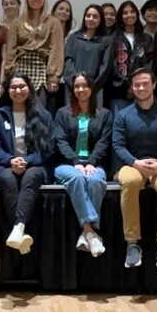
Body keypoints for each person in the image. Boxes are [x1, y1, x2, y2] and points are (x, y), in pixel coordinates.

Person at [112, 67, 157, 270]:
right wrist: (136, 163)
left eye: (145, 84)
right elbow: (118, 145)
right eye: (137, 85)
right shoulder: (123, 115)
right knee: (130, 181)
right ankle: (132, 244)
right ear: (132, 88)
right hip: (133, 164)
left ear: (154, 85)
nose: (141, 88)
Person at [0, 73, 54, 255]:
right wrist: (10, 160)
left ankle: (17, 228)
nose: (18, 90)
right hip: (6, 166)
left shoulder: (43, 115)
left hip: (35, 166)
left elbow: (48, 149)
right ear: (7, 91)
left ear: (29, 89)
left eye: (22, 86)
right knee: (7, 178)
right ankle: (20, 232)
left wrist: (27, 161)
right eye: (13, 87)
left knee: (32, 175)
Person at [53, 73, 112, 257]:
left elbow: (104, 142)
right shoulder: (62, 113)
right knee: (77, 177)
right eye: (77, 86)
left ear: (92, 89)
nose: (80, 89)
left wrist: (91, 162)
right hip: (67, 164)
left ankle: (86, 234)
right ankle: (89, 230)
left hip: (95, 164)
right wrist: (76, 162)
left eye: (84, 85)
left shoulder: (104, 114)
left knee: (96, 181)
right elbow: (61, 141)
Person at [2, 0, 64, 110]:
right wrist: (10, 72)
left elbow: (56, 49)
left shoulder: (53, 22)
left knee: (40, 109)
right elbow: (10, 50)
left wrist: (53, 76)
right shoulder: (17, 23)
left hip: (42, 69)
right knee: (19, 108)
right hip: (20, 68)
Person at [105, 0, 154, 113]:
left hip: (142, 90)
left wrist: (136, 85)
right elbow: (112, 65)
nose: (129, 15)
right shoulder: (113, 38)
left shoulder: (146, 39)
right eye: (125, 13)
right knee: (120, 121)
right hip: (118, 91)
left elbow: (149, 64)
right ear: (120, 16)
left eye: (132, 12)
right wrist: (127, 86)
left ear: (137, 14)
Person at [63, 4, 111, 103]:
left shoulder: (106, 41)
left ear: (101, 20)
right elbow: (68, 61)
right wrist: (75, 84)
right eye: (88, 16)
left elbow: (105, 66)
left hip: (95, 89)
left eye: (95, 17)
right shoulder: (73, 38)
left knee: (94, 112)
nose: (91, 19)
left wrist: (92, 86)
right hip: (73, 88)